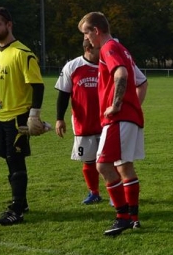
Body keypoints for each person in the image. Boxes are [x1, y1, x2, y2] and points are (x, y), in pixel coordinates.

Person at [55, 38, 148, 206]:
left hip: (109, 121)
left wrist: (128, 108)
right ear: (89, 48)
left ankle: (117, 198)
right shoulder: (73, 66)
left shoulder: (110, 61)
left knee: (111, 162)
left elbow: (140, 82)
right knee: (89, 160)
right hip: (83, 123)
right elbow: (63, 93)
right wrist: (59, 118)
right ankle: (94, 192)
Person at [78, 12, 146, 236]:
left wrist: (117, 106)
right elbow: (141, 81)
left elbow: (122, 74)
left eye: (87, 33)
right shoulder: (121, 48)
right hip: (129, 117)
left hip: (118, 118)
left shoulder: (108, 48)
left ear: (96, 30)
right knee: (124, 166)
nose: (87, 39)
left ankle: (122, 216)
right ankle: (133, 217)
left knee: (103, 166)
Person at [0, 7, 46, 225]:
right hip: (0, 116)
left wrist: (34, 116)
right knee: (9, 161)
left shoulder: (23, 53)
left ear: (8, 25)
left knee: (16, 161)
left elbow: (37, 86)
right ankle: (23, 202)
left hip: (18, 116)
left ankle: (16, 210)